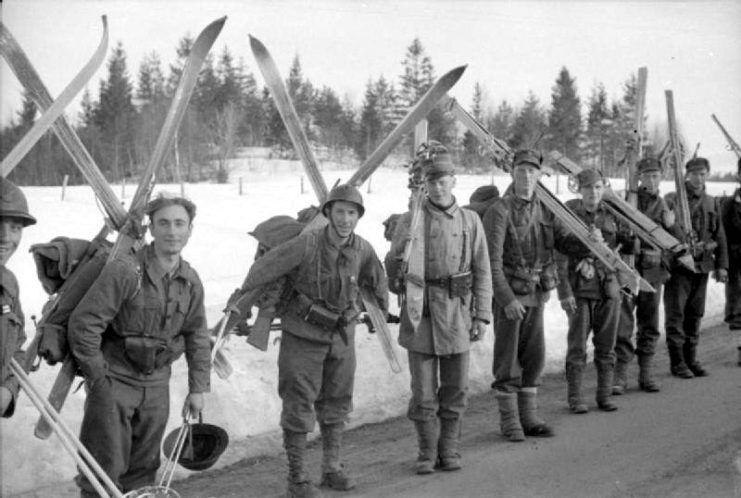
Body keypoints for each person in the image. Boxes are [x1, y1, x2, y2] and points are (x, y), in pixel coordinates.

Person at [238, 184, 388, 498]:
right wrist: (242, 306)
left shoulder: (362, 248)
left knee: (337, 403)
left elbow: (376, 280)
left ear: (358, 217)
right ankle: (298, 479)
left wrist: (380, 311)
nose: (345, 219)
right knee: (298, 405)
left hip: (341, 337)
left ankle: (331, 468)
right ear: (328, 213)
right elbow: (261, 271)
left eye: (351, 213)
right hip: (303, 335)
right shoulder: (306, 244)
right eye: (340, 212)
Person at [68, 194, 211, 497]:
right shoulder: (126, 270)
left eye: (179, 224)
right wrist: (98, 378)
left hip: (157, 385)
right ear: (152, 228)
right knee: (102, 470)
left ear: (190, 230)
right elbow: (85, 324)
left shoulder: (190, 280)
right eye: (164, 223)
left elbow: (197, 335)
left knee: (144, 469)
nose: (172, 231)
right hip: (115, 380)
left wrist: (198, 388)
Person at [387, 143, 491, 474]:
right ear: (424, 185)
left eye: (443, 180)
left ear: (454, 180)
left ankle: (450, 450)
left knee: (456, 389)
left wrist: (482, 315)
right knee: (423, 392)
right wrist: (400, 253)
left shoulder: (471, 220)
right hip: (421, 314)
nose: (437, 186)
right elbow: (393, 278)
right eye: (431, 181)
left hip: (458, 312)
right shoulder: (409, 220)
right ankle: (426, 452)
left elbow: (483, 271)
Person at [482, 149, 571, 441]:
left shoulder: (545, 209)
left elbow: (565, 242)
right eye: (521, 170)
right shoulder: (499, 210)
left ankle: (529, 417)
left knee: (535, 356)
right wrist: (505, 299)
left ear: (540, 175)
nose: (526, 176)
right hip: (510, 294)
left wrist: (590, 240)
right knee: (507, 360)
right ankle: (510, 422)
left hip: (536, 293)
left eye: (532, 171)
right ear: (512, 172)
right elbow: (490, 261)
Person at [557, 169, 635, 414]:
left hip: (609, 288)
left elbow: (630, 247)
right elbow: (559, 253)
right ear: (579, 189)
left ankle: (604, 395)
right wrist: (565, 292)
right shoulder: (568, 213)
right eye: (589, 187)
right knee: (578, 347)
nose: (594, 192)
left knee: (606, 346)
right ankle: (576, 398)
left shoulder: (613, 214)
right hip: (581, 289)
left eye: (598, 187)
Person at [613, 158, 676, 394]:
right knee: (624, 323)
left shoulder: (666, 205)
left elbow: (676, 241)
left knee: (649, 323)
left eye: (656, 176)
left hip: (654, 270)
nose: (652, 180)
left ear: (661, 177)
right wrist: (627, 241)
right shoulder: (628, 200)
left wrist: (672, 225)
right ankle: (620, 375)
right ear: (639, 177)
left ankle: (646, 372)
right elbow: (614, 232)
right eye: (647, 175)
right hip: (630, 268)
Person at [664, 157, 728, 377]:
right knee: (676, 315)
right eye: (695, 174)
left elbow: (719, 235)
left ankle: (691, 358)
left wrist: (722, 266)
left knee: (695, 314)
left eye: (703, 174)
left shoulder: (712, 202)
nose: (699, 178)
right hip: (679, 266)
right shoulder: (672, 199)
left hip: (702, 265)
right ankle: (677, 362)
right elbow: (665, 232)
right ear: (686, 175)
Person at [0, 178, 37, 418]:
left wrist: (9, 389)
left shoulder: (8, 283)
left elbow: (16, 348)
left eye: (14, 228)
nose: (5, 238)